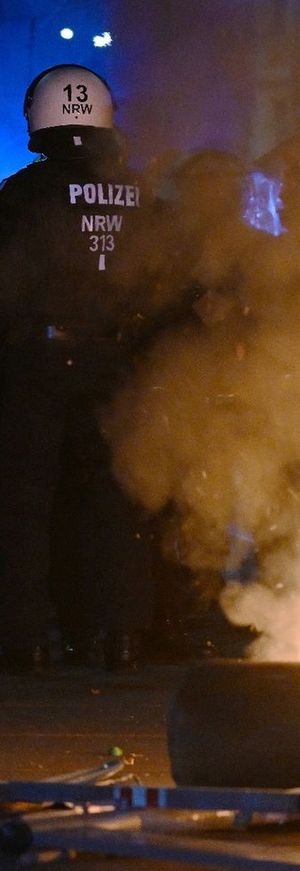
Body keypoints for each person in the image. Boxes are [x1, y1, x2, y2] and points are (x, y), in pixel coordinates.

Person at [0, 64, 156, 670]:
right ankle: (117, 637)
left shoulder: (20, 195)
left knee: (23, 502)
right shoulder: (141, 195)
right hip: (117, 361)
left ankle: (24, 642)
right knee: (116, 500)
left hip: (36, 361)